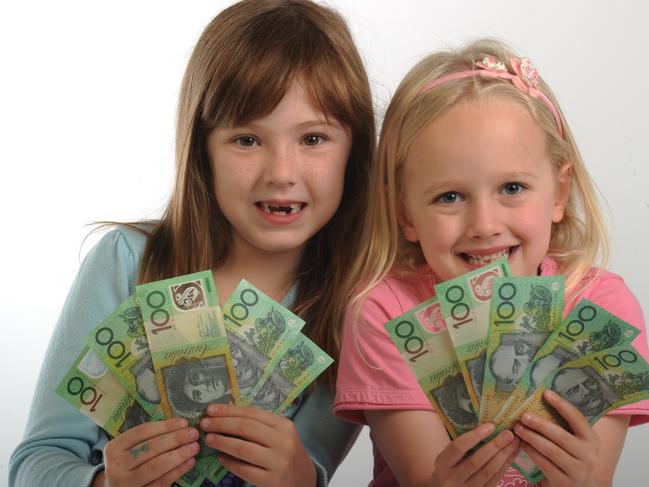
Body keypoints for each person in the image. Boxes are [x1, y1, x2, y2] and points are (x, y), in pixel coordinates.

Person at [9, 1, 375, 486]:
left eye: (313, 139)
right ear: (203, 149)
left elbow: (313, 471)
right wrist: (102, 483)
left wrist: (301, 476)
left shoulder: (355, 305)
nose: (281, 173)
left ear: (355, 149)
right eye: (246, 139)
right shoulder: (125, 263)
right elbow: (37, 462)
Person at [333, 39, 649, 486]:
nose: (484, 224)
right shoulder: (384, 312)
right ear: (405, 213)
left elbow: (595, 479)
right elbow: (425, 478)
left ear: (559, 193)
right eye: (450, 196)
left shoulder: (603, 308)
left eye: (512, 188)